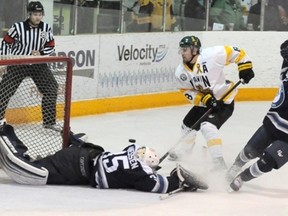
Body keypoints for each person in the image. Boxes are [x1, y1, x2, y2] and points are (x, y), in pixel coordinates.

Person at [0, 122, 208, 194]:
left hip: (82, 153)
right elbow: (156, 185)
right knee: (29, 171)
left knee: (31, 162)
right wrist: (178, 180)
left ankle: (6, 131)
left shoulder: (132, 148)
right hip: (76, 168)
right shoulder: (140, 171)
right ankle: (3, 131)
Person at [170, 35, 254, 171]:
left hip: (224, 101)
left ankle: (218, 162)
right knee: (186, 126)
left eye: (185, 49)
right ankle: (186, 152)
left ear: (194, 50)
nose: (182, 53)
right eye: (181, 49)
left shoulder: (212, 55)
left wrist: (245, 68)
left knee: (207, 126)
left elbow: (237, 52)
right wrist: (204, 99)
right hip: (206, 103)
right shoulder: (181, 72)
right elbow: (186, 91)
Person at [226, 40, 288, 192]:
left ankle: (242, 177)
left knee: (267, 162)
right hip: (274, 120)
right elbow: (284, 49)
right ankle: (236, 166)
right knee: (250, 151)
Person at [0, 1, 59, 131]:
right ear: (29, 14)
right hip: (18, 64)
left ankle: (49, 122)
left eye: (40, 14)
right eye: (35, 14)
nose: (38, 17)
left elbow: (51, 46)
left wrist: (41, 52)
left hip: (38, 65)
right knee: (4, 90)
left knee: (52, 88)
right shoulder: (18, 27)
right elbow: (5, 43)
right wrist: (4, 62)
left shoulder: (46, 28)